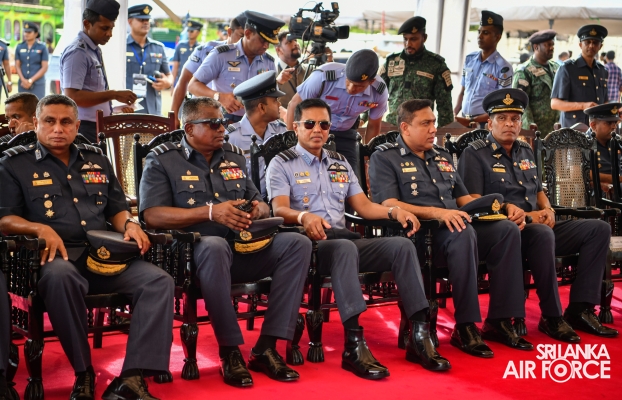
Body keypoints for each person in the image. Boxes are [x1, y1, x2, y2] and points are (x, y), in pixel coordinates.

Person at [0, 94, 175, 399]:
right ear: (37, 123)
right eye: (50, 121)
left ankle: (132, 378)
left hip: (104, 256)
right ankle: (84, 373)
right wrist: (39, 228)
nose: (58, 128)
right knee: (61, 277)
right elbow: (4, 219)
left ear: (77, 125)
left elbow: (117, 209)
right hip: (54, 257)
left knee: (159, 281)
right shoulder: (15, 164)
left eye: (66, 122)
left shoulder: (97, 159)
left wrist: (129, 224)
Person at [268, 98, 450, 373]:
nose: (317, 129)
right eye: (310, 124)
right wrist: (304, 217)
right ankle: (354, 343)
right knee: (344, 248)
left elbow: (363, 207)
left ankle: (419, 334)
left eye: (324, 124)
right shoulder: (282, 163)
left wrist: (394, 212)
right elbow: (279, 209)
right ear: (296, 127)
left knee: (401, 246)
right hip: (311, 245)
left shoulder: (340, 162)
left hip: (346, 241)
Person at [139, 96, 312, 386]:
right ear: (190, 128)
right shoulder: (163, 159)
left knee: (298, 244)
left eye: (222, 122)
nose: (222, 128)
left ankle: (266, 347)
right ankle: (230, 351)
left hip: (242, 249)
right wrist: (209, 212)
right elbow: (151, 215)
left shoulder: (234, 156)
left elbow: (261, 202)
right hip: (190, 257)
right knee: (214, 245)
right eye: (213, 123)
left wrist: (257, 210)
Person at [369, 98, 547, 353]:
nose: (433, 129)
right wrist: (438, 213)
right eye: (425, 124)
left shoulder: (442, 156)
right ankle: (465, 326)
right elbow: (389, 203)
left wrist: (504, 207)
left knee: (506, 230)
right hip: (419, 237)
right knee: (464, 232)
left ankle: (499, 320)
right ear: (405, 128)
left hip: (458, 231)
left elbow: (465, 200)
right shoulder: (385, 157)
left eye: (434, 122)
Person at [458, 88, 618, 339]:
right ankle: (552, 316)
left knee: (598, 229)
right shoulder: (475, 153)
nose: (509, 124)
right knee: (543, 233)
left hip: (536, 226)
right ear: (489, 123)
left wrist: (548, 209)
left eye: (515, 119)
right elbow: (474, 202)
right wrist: (529, 216)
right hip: (504, 232)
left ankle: (580, 308)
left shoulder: (524, 149)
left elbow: (538, 189)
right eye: (502, 118)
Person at [287, 49, 389, 174]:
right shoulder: (323, 77)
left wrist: (368, 157)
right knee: (309, 175)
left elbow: (373, 125)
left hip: (346, 134)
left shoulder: (378, 92)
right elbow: (293, 105)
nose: (351, 88)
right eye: (349, 81)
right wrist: (290, 143)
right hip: (315, 130)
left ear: (371, 81)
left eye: (359, 86)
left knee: (350, 176)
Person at [61, 0, 137, 143]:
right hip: (82, 128)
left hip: (94, 126)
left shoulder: (93, 50)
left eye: (111, 28)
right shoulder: (78, 52)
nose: (110, 34)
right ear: (87, 24)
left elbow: (92, 91)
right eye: (104, 28)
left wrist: (113, 107)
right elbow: (72, 97)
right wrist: (113, 94)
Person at [188, 11, 285, 123]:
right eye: (263, 41)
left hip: (258, 124)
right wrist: (219, 97)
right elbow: (193, 85)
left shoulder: (269, 62)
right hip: (225, 123)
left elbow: (271, 96)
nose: (266, 46)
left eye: (269, 42)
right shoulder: (222, 55)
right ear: (248, 34)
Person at [379, 16, 453, 128]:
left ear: (424, 38)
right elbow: (376, 92)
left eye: (413, 39)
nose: (408, 44)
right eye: (405, 39)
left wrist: (445, 134)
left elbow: (445, 107)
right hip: (393, 127)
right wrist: (364, 118)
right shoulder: (391, 62)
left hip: (421, 128)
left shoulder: (436, 65)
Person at [170, 14, 246, 123]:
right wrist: (173, 116)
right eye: (241, 36)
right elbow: (184, 80)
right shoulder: (206, 50)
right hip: (201, 115)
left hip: (234, 119)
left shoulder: (251, 56)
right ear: (229, 32)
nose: (244, 42)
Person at [227, 71, 287, 196]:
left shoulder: (281, 131)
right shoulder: (231, 139)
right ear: (262, 108)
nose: (279, 104)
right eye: (275, 100)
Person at [454, 11, 512, 128]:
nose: (480, 36)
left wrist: (472, 120)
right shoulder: (470, 59)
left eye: (485, 33)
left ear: (497, 37)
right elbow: (463, 92)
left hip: (485, 124)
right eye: (479, 32)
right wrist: (454, 114)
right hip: (463, 121)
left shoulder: (503, 67)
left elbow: (501, 105)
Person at [551, 25, 609, 127]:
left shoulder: (602, 70)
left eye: (595, 42)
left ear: (600, 46)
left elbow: (604, 101)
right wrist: (583, 105)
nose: (591, 46)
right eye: (587, 42)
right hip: (572, 129)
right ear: (580, 45)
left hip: (596, 128)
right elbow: (555, 103)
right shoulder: (567, 68)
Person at [126, 4, 173, 116]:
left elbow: (168, 75)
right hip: (128, 109)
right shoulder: (122, 46)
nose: (146, 23)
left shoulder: (158, 47)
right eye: (141, 20)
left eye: (147, 20)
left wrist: (167, 83)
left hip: (153, 109)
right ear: (130, 21)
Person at [512, 30, 560, 135]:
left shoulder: (557, 68)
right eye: (548, 45)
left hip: (557, 129)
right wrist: (529, 128)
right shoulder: (524, 71)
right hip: (536, 130)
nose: (552, 48)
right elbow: (520, 102)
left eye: (552, 45)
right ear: (536, 47)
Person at [585, 102, 622, 185]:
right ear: (593, 125)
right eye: (609, 123)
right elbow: (579, 173)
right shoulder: (582, 143)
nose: (614, 126)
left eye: (615, 122)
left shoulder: (617, 140)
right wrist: (616, 179)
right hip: (598, 191)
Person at [15, 22, 48, 100]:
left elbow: (44, 67)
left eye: (29, 32)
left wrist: (31, 80)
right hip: (23, 84)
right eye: (25, 31)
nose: (26, 34)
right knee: (23, 105)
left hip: (38, 84)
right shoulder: (19, 47)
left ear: (36, 34)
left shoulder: (42, 47)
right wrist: (23, 80)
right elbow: (17, 65)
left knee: (38, 105)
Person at [274, 31, 307, 110]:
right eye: (289, 42)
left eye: (295, 40)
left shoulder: (310, 70)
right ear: (278, 50)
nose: (295, 44)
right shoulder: (273, 73)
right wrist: (277, 83)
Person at [171, 20, 203, 87]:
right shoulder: (180, 45)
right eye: (188, 30)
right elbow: (175, 67)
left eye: (192, 31)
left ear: (198, 33)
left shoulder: (201, 48)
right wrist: (172, 85)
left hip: (195, 83)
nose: (189, 33)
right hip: (181, 82)